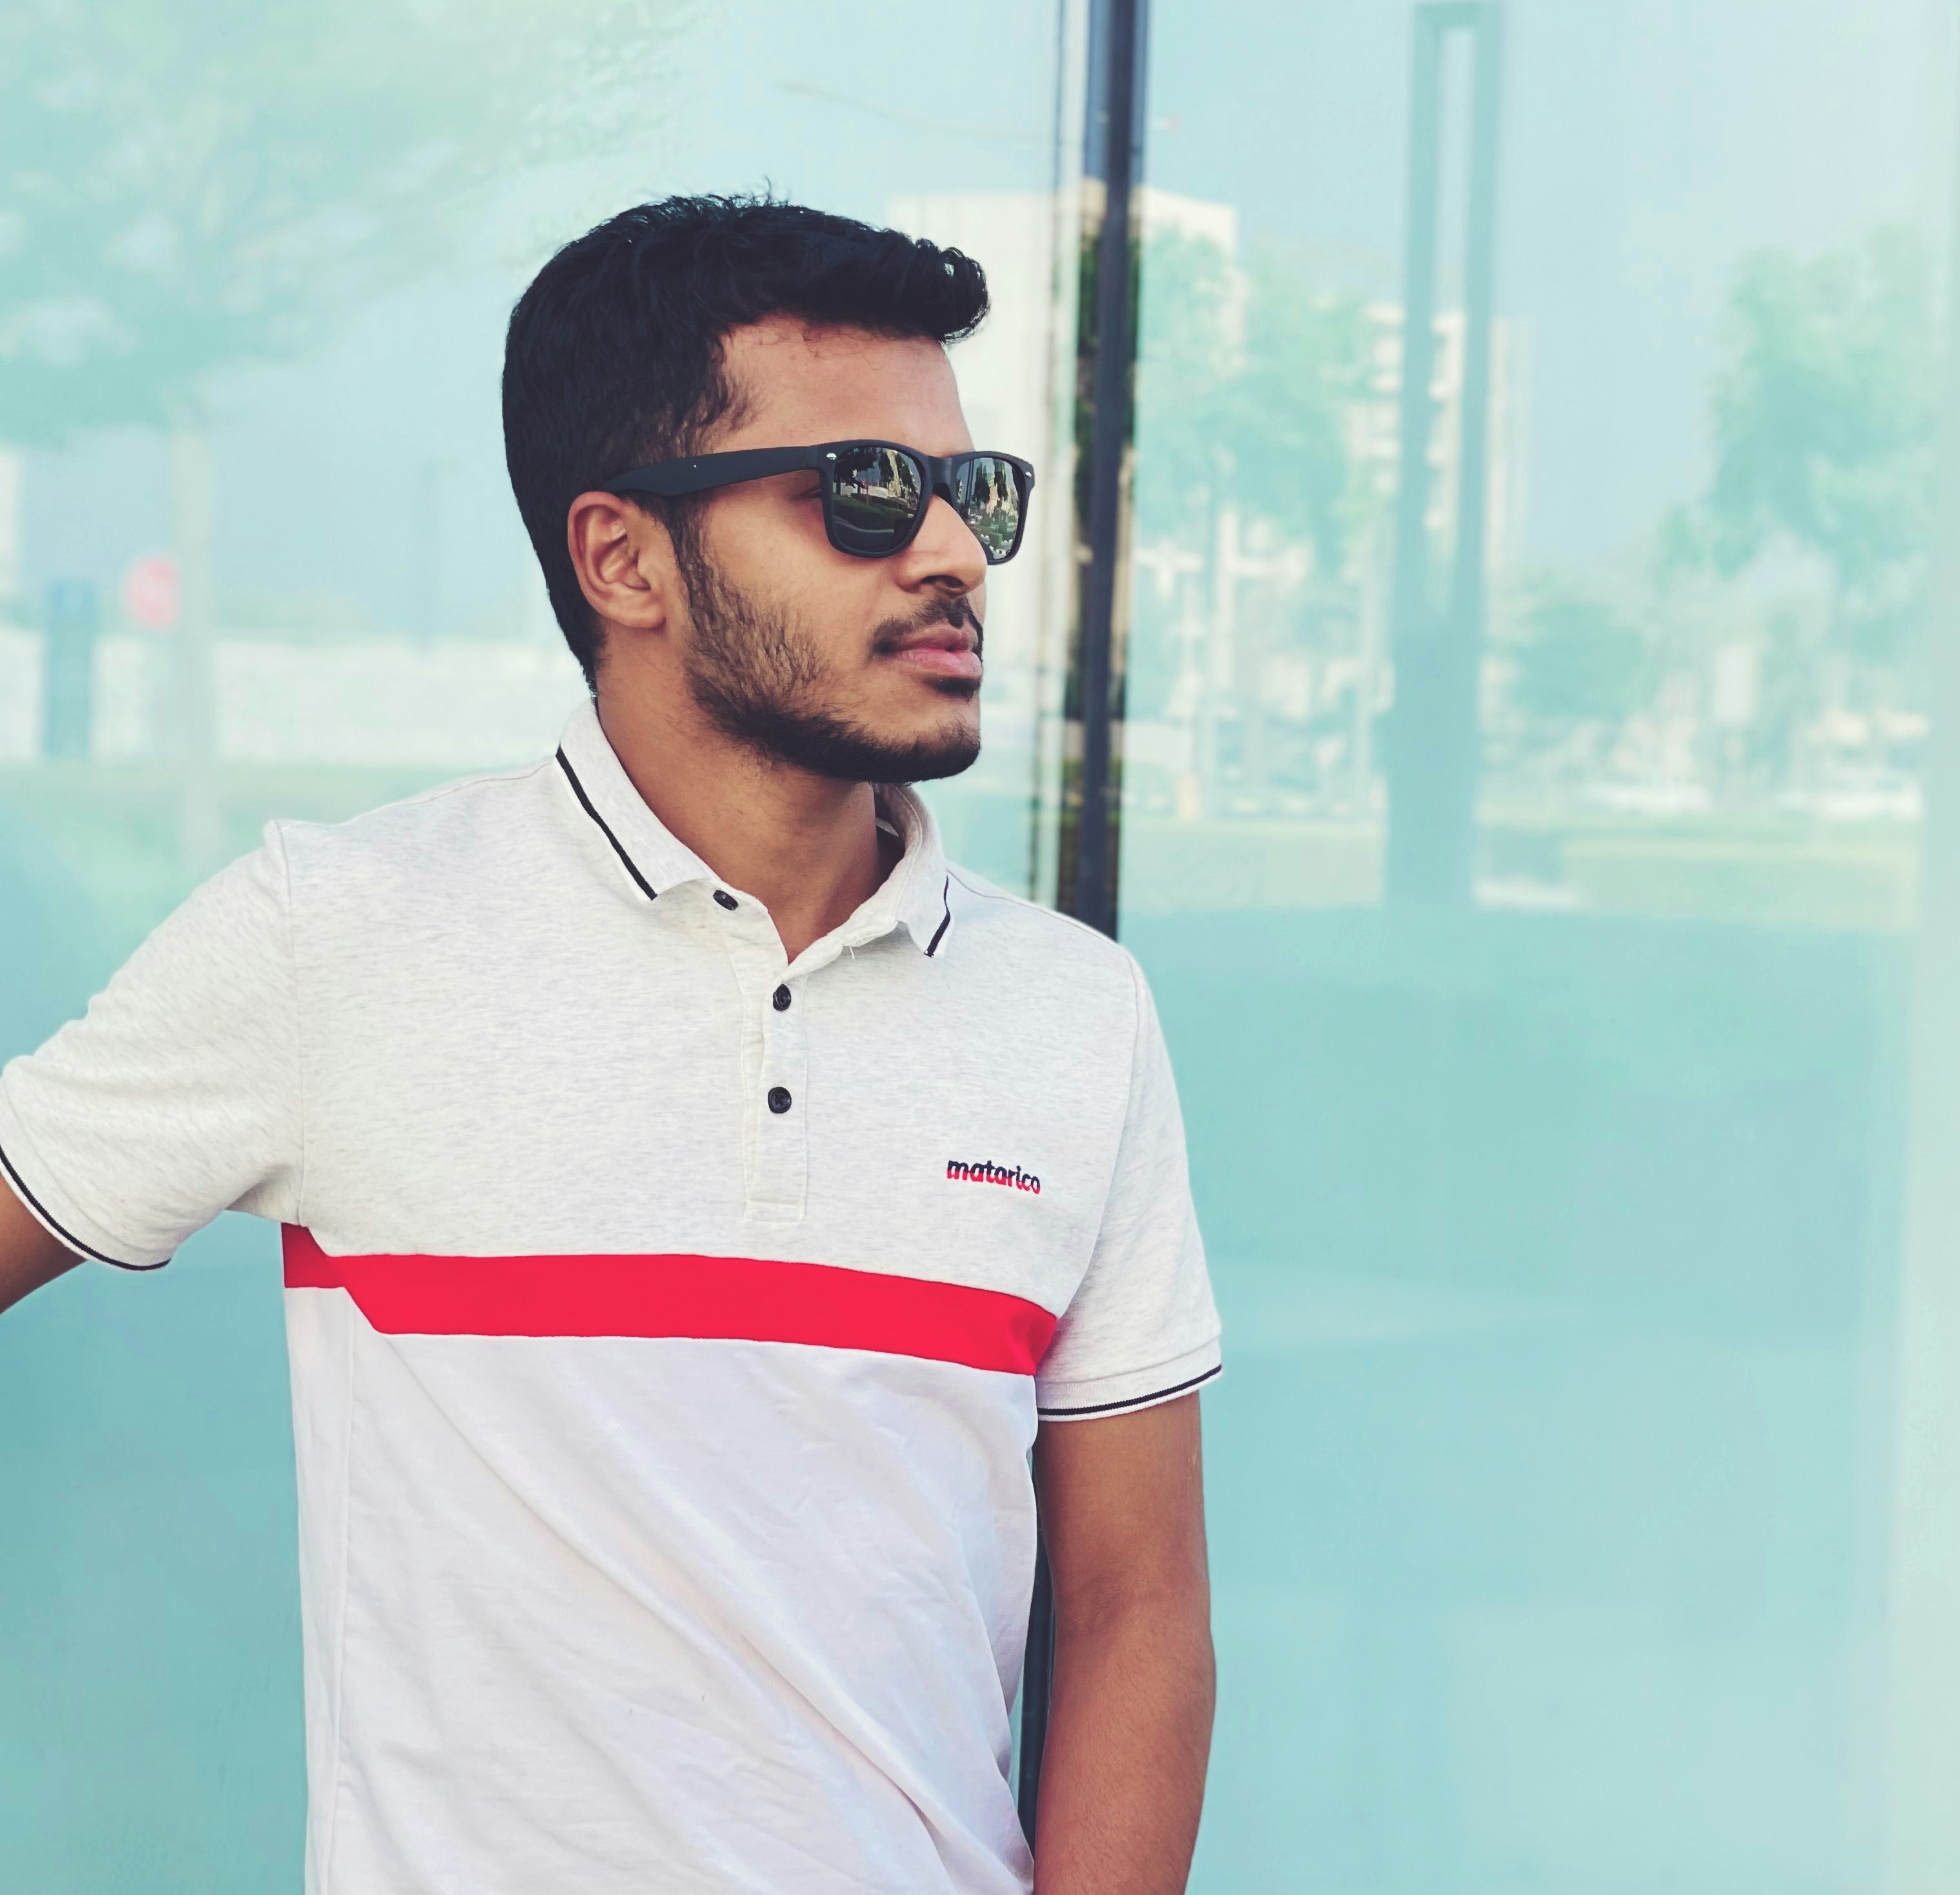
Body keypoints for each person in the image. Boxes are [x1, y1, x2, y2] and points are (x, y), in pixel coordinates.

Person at [0, 195, 1220, 1895]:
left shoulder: (1075, 1014)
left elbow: (1138, 1607)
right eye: (865, 491)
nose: (949, 550)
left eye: (974, 492)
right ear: (622, 558)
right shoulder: (337, 934)